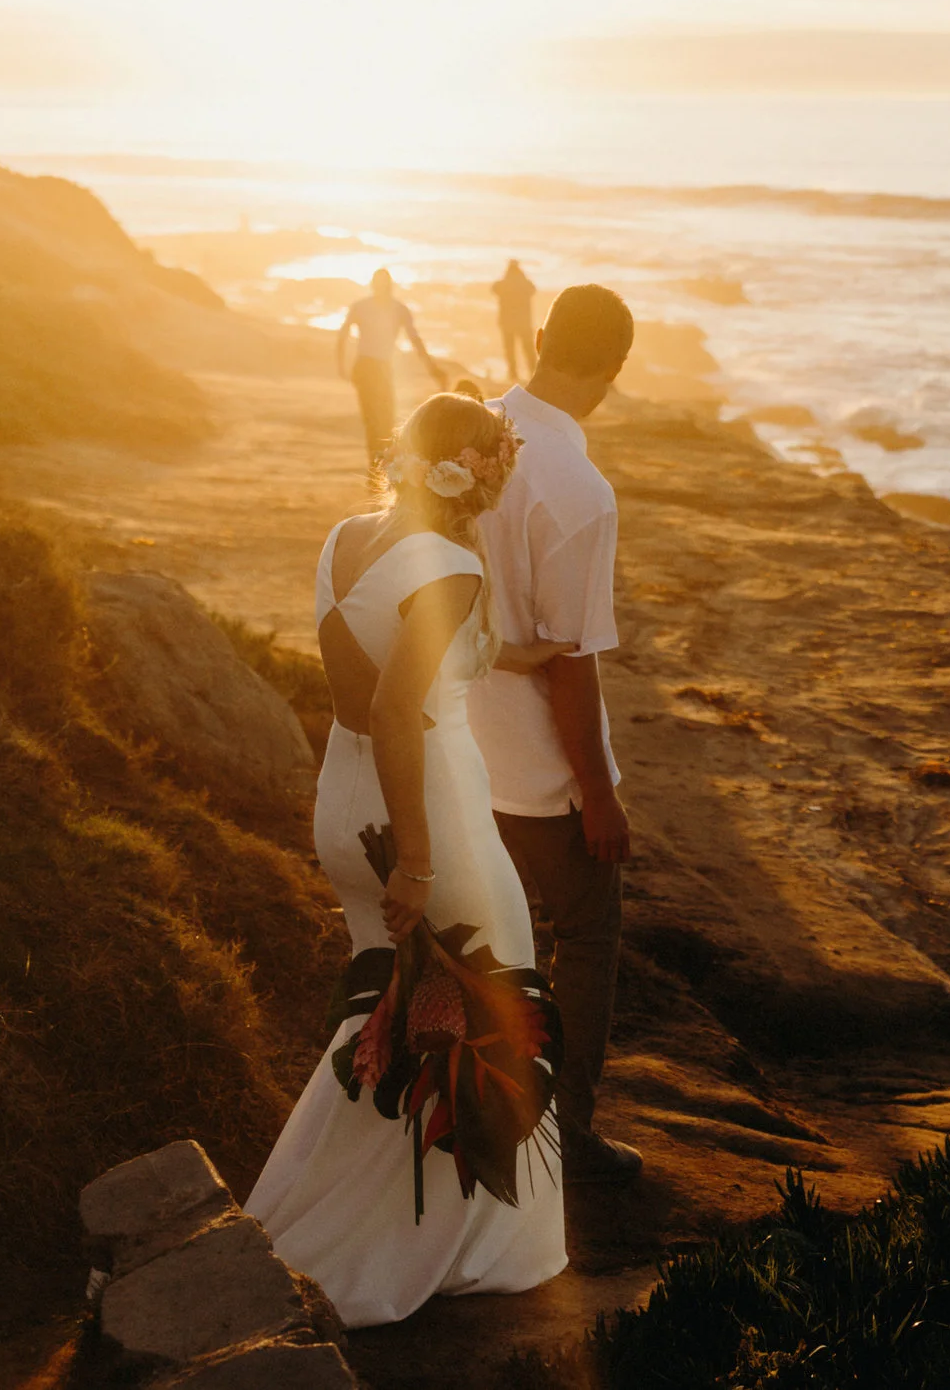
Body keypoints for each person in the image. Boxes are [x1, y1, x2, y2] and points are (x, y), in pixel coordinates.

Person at [245, 393, 573, 1327]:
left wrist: (519, 651)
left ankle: (318, 1221)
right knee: (488, 1005)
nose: (503, 472)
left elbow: (374, 658)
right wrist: (419, 861)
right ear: (474, 470)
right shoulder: (454, 566)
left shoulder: (348, 536)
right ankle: (453, 1248)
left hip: (343, 801)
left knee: (386, 1018)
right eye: (497, 458)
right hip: (425, 812)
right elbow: (400, 708)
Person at [467, 283, 644, 1182]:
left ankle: (481, 1109)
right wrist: (599, 792)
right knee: (587, 933)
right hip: (538, 768)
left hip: (459, 749)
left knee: (487, 938)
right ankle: (561, 1132)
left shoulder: (465, 437)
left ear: (539, 336)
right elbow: (571, 660)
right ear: (614, 370)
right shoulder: (579, 489)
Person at [338, 269, 445, 465]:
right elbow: (415, 340)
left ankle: (379, 465)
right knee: (376, 420)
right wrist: (432, 368)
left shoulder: (387, 308)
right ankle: (377, 465)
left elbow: (415, 340)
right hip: (369, 367)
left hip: (376, 368)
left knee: (382, 421)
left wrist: (432, 367)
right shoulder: (382, 307)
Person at [492, 259, 539, 384]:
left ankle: (513, 374)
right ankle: (533, 373)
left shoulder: (504, 283)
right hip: (523, 322)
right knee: (528, 349)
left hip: (507, 323)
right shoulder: (524, 283)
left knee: (510, 350)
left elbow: (494, 288)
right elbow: (533, 289)